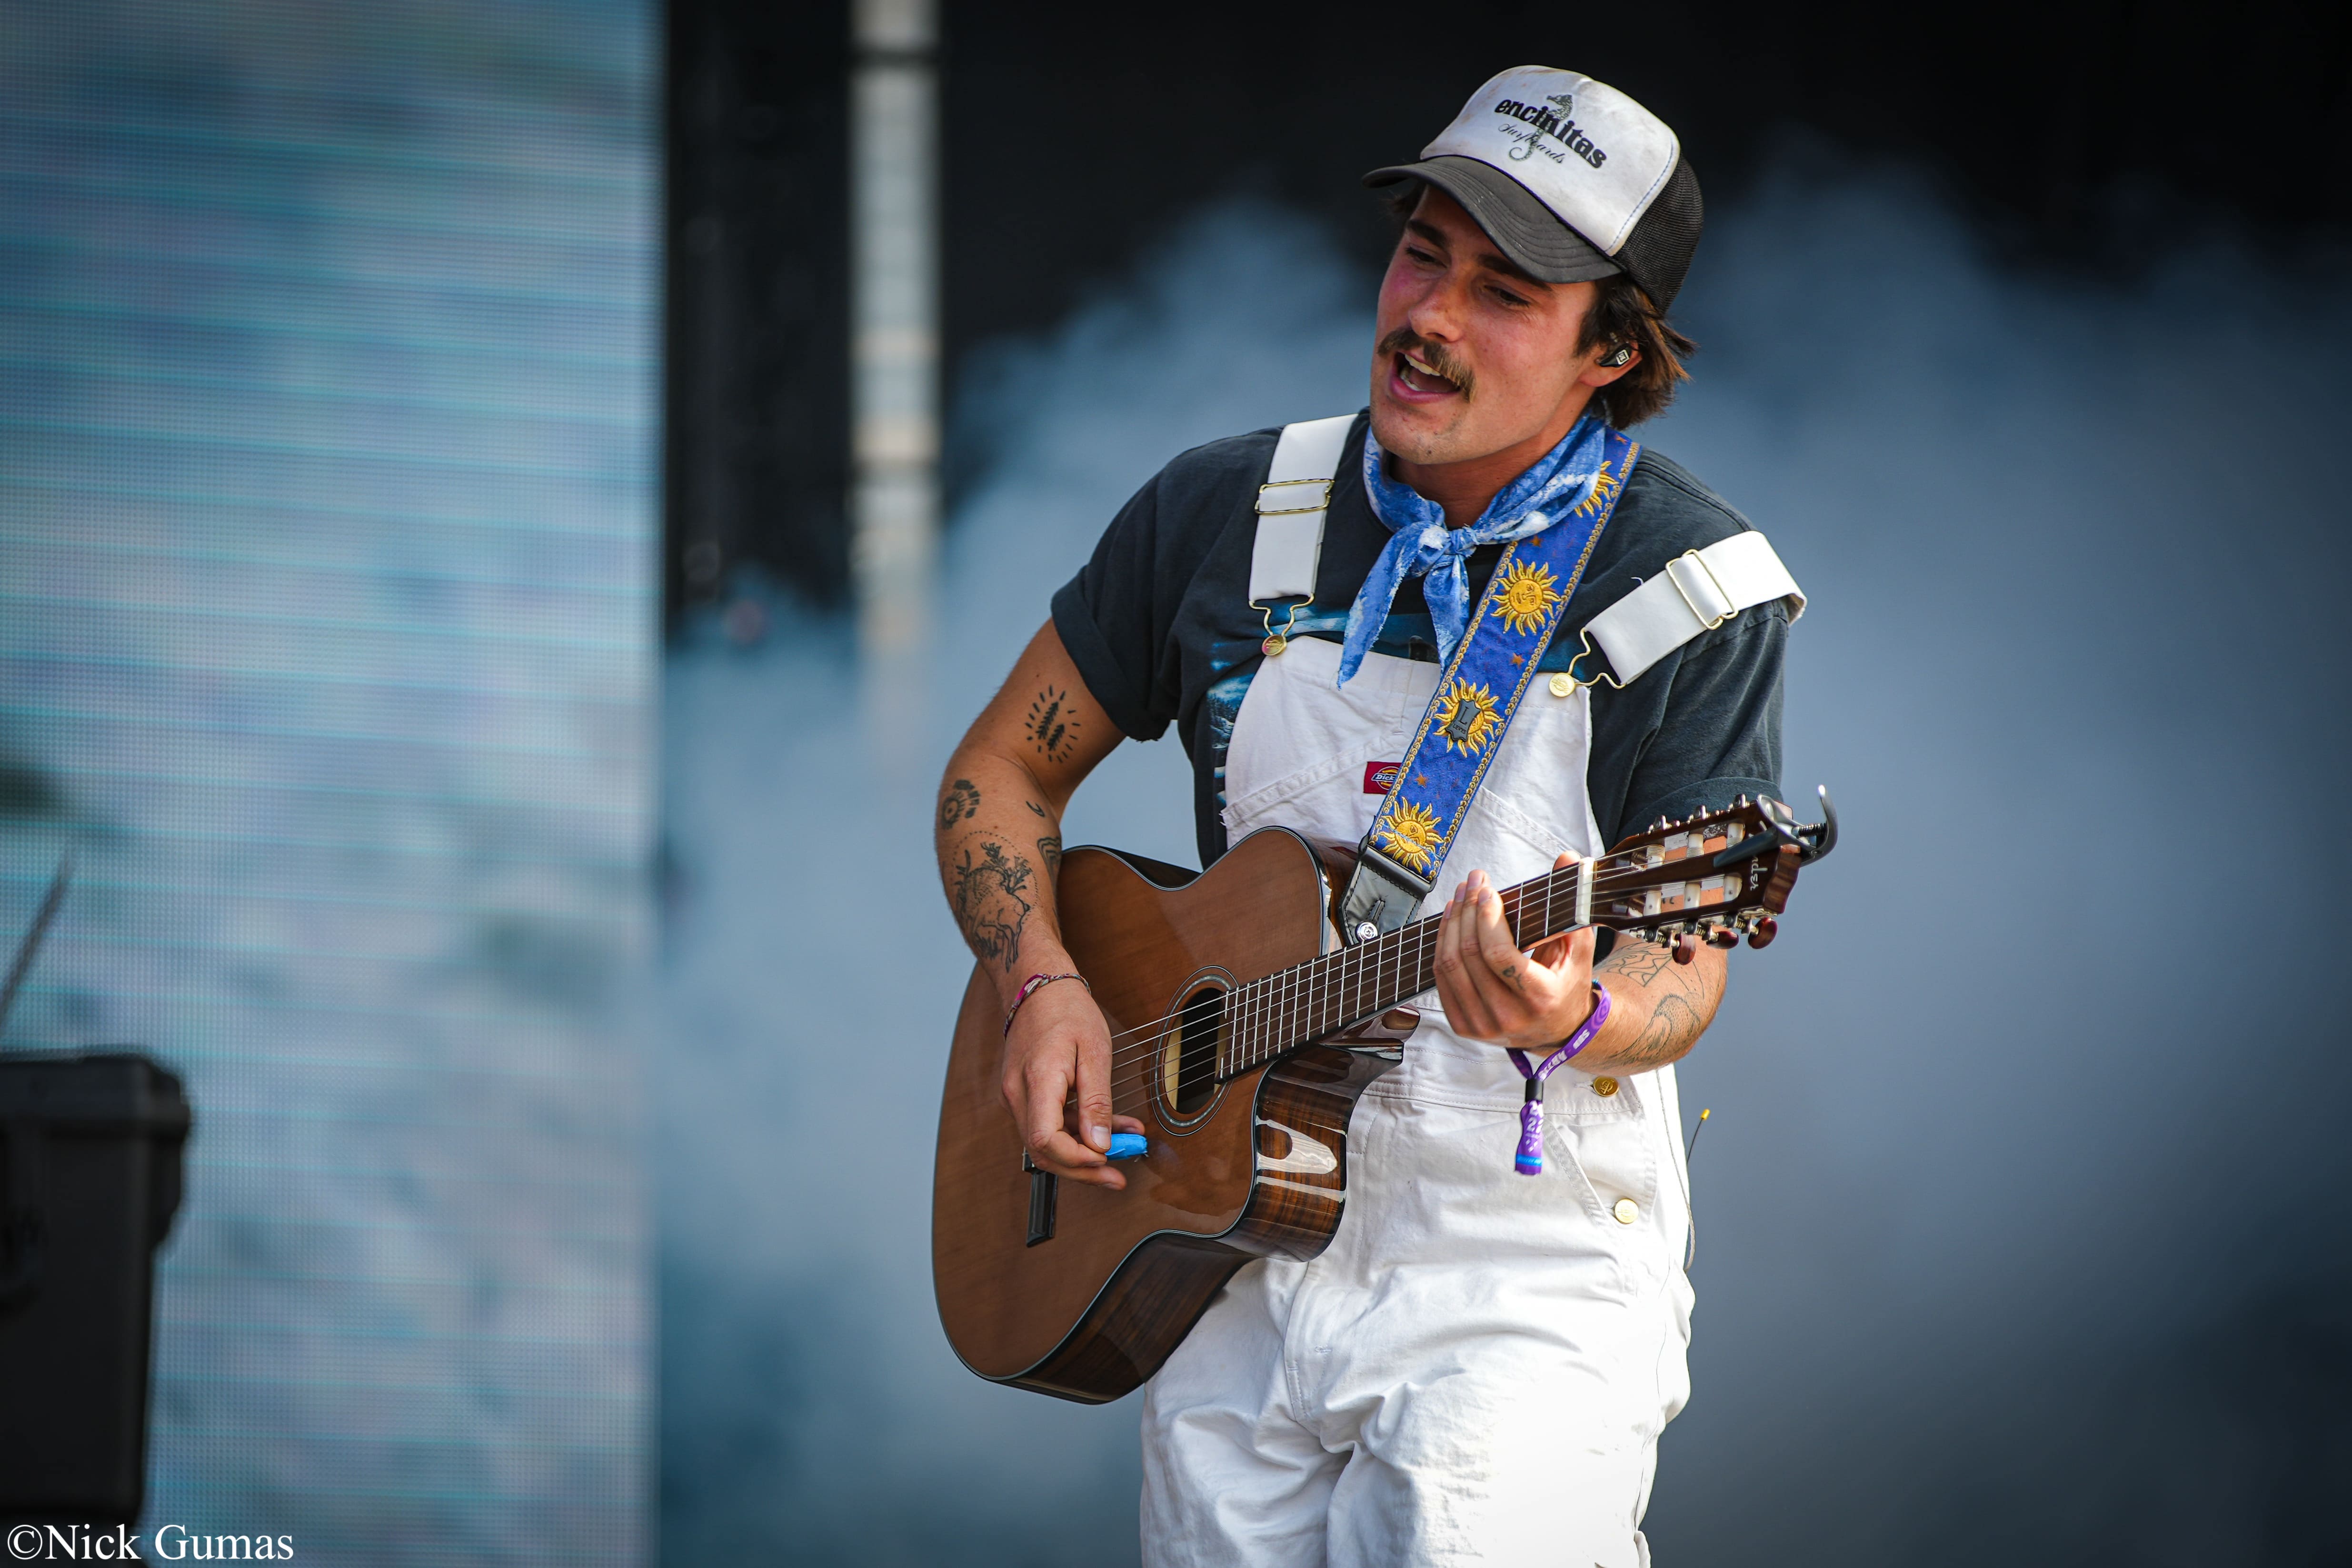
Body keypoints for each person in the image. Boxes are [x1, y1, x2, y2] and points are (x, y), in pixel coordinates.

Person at [934, 66, 1793, 1567]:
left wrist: (1577, 1012)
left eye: (1505, 291)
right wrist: (1044, 986)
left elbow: (1687, 963)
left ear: (1614, 347)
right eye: (1422, 254)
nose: (1430, 318)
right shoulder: (1220, 508)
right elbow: (995, 774)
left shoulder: (1689, 586)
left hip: (1518, 1270)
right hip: (1228, 1245)